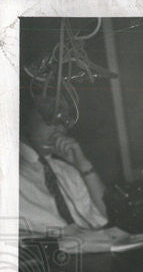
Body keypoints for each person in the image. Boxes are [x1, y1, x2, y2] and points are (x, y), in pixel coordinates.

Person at [20, 94, 108, 234]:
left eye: (64, 121)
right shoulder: (9, 173)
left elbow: (107, 215)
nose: (59, 129)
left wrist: (83, 165)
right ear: (24, 121)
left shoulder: (67, 170)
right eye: (51, 119)